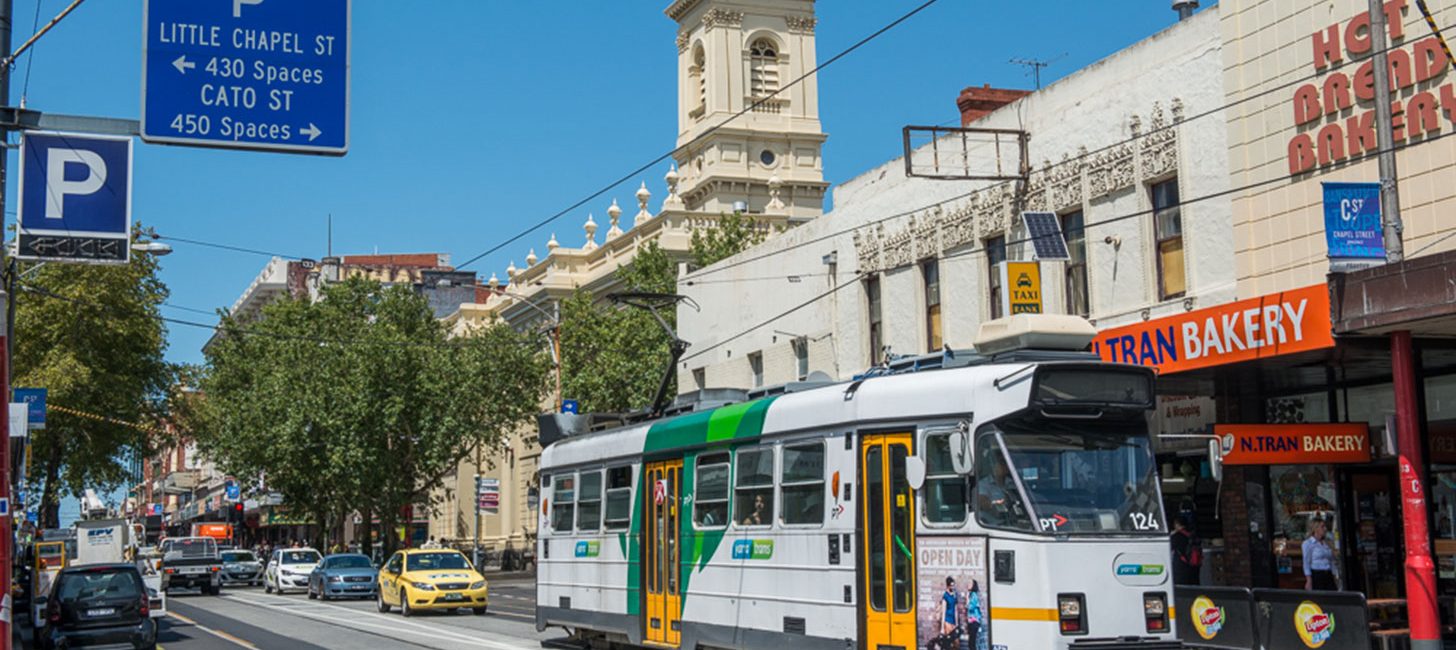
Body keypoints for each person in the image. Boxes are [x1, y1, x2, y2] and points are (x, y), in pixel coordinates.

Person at [1303, 517, 1338, 590]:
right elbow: (1306, 562)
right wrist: (1309, 580)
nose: (1325, 529)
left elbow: (1331, 561)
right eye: (1322, 527)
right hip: (1317, 574)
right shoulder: (1308, 543)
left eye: (1325, 526)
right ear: (1315, 529)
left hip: (1328, 574)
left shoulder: (1327, 543)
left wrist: (1334, 575)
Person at [1170, 513, 1202, 585]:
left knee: (1183, 590)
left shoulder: (1177, 536)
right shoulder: (1193, 535)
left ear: (1177, 524)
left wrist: (1171, 535)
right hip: (1195, 566)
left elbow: (1169, 547)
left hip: (1182, 567)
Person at [966, 579, 987, 650]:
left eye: (970, 583)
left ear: (973, 586)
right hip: (972, 622)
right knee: (972, 643)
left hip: (974, 621)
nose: (968, 585)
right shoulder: (971, 595)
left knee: (971, 643)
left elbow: (970, 607)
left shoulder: (973, 595)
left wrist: (967, 599)